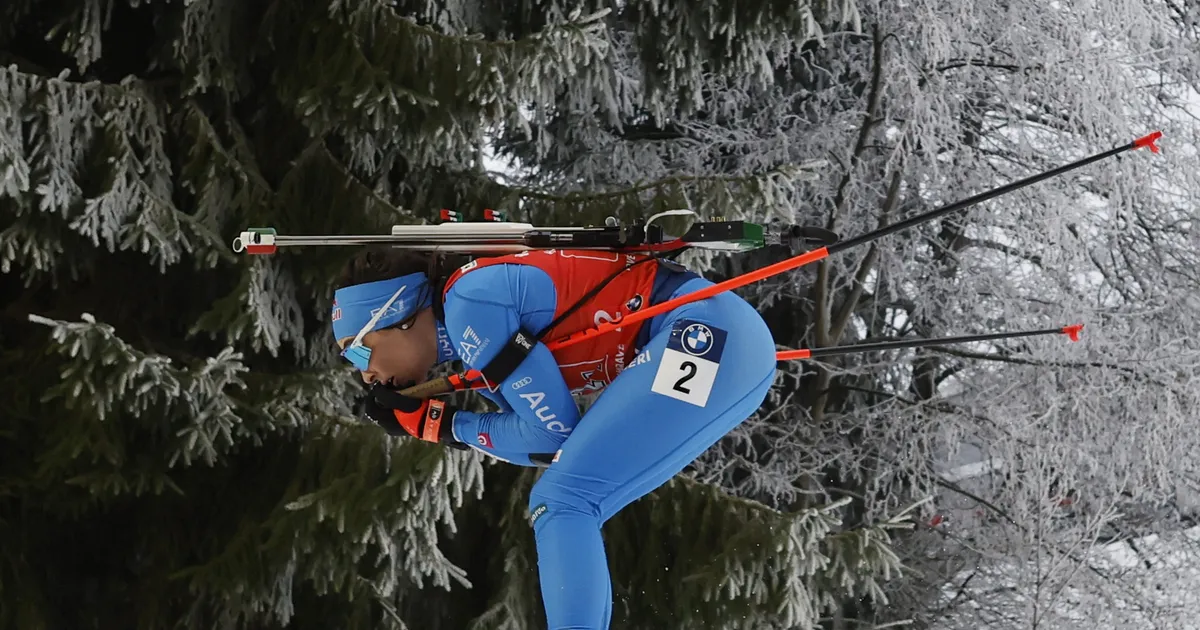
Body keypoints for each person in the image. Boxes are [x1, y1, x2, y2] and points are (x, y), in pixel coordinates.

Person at [331, 246, 777, 629]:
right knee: (568, 497)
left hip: (704, 335)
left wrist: (443, 425)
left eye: (357, 348)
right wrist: (439, 425)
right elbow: (546, 447)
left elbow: (553, 434)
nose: (364, 371)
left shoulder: (471, 306)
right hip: (720, 335)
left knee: (564, 502)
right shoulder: (472, 330)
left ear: (396, 316)